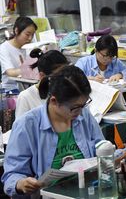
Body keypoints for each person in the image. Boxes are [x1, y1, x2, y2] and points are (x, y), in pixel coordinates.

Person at [1, 65, 104, 197]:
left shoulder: (83, 114)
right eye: (75, 108)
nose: (80, 112)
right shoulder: (27, 125)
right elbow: (11, 174)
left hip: (86, 191)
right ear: (54, 101)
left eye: (83, 105)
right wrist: (21, 183)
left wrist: (121, 154)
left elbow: (101, 148)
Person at [15, 48, 69, 118]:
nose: (63, 80)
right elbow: (20, 127)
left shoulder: (67, 91)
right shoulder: (26, 97)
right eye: (59, 76)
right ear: (42, 75)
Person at [0, 16, 37, 90]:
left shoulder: (29, 46)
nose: (30, 38)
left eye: (32, 35)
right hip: (11, 90)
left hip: (28, 87)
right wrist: (30, 69)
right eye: (27, 34)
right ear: (17, 31)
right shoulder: (4, 48)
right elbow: (10, 72)